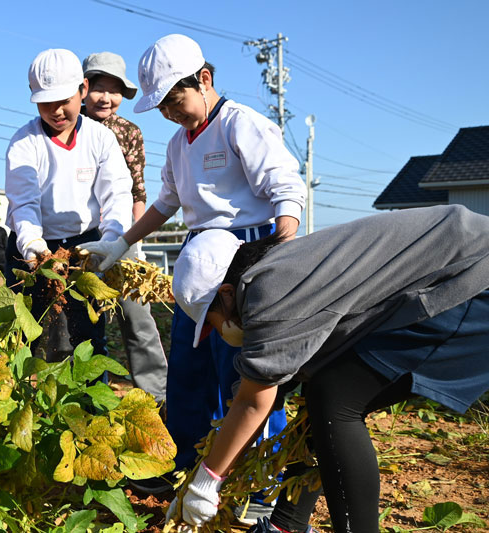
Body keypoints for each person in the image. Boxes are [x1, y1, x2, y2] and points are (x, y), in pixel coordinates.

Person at [79, 34, 311, 521]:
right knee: (188, 364)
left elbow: (286, 188)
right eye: (162, 106)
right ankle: (183, 462)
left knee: (246, 373)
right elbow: (167, 202)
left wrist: (281, 253)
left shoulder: (238, 125)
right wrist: (120, 242)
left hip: (249, 252)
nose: (170, 113)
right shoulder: (178, 143)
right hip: (198, 257)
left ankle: (258, 484)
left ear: (204, 80)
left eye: (174, 100)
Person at [169, 204, 489, 532]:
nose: (221, 332)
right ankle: (287, 526)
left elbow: (255, 401)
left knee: (336, 399)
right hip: (463, 263)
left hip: (472, 280)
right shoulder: (278, 271)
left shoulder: (268, 293)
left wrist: (204, 485)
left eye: (213, 321)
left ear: (226, 293)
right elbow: (270, 382)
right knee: (322, 390)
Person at [4, 48, 133, 363]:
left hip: (83, 246)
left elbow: (116, 193)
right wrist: (33, 245)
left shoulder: (100, 138)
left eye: (64, 100)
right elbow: (24, 202)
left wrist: (111, 239)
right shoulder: (25, 142)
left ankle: (88, 408)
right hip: (33, 248)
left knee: (87, 337)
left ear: (83, 91)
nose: (56, 110)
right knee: (26, 337)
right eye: (46, 102)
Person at [80, 51, 169, 439]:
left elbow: (137, 190)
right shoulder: (70, 126)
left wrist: (134, 242)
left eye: (114, 91)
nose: (106, 98)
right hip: (82, 238)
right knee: (86, 318)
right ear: (82, 90)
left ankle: (155, 398)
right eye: (98, 88)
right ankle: (90, 399)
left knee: (138, 319)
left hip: (122, 237)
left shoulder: (129, 132)